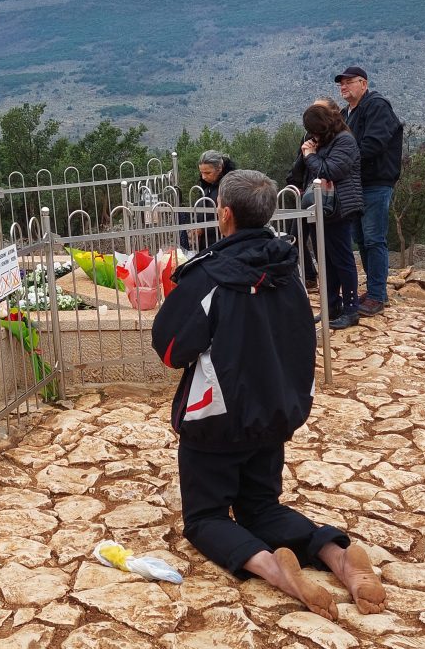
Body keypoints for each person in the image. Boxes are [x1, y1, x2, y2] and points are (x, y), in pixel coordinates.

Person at [151, 169, 386, 620]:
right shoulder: (288, 271)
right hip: (275, 414)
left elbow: (171, 350)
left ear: (223, 214)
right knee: (261, 507)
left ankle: (275, 572)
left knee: (207, 518)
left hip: (216, 422)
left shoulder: (207, 278)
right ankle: (336, 554)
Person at [289, 101, 363, 329]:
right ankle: (331, 306)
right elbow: (309, 169)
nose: (310, 134)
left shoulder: (345, 141)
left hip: (338, 208)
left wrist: (310, 155)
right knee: (325, 260)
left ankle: (351, 309)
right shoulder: (325, 141)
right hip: (320, 208)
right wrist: (309, 153)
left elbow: (330, 171)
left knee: (342, 259)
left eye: (312, 130)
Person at [336, 66, 403, 318]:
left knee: (374, 238)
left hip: (376, 182)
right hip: (356, 184)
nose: (343, 86)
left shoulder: (376, 106)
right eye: (340, 84)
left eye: (349, 82)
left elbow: (373, 144)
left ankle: (376, 295)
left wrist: (342, 163)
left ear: (364, 83)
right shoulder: (347, 113)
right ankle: (376, 291)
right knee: (362, 239)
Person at [192, 150, 237, 250]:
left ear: (219, 168)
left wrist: (204, 228)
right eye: (201, 173)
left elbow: (230, 217)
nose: (203, 177)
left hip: (223, 243)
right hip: (206, 242)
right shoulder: (206, 187)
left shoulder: (229, 187)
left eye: (208, 173)